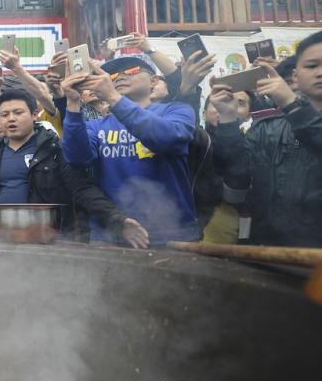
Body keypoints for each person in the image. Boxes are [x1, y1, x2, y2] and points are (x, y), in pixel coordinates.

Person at [0, 89, 149, 247]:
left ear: (34, 115)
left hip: (48, 241)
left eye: (18, 112)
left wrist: (116, 219)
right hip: (1, 240)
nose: (11, 118)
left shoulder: (55, 149)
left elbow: (82, 189)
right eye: (4, 114)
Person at [61, 56, 199, 246]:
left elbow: (167, 139)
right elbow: (77, 159)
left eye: (132, 70)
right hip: (111, 232)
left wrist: (113, 98)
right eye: (114, 75)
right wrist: (73, 103)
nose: (120, 77)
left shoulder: (177, 111)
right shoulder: (96, 125)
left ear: (153, 81)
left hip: (172, 232)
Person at [210, 31, 322, 247]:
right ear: (296, 76)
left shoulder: (287, 110)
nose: (320, 72)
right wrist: (227, 118)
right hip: (267, 251)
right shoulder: (266, 128)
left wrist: (291, 103)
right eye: (311, 66)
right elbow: (236, 182)